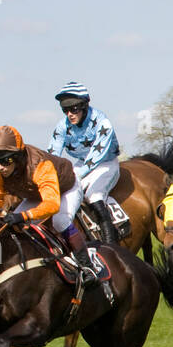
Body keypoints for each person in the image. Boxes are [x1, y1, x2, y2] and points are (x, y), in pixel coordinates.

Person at [0, 125, 98, 285]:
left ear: (17, 156)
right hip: (35, 194)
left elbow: (52, 204)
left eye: (5, 161)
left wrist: (23, 216)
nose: (0, 167)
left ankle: (87, 267)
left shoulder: (40, 165)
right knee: (9, 227)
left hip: (66, 189)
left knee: (60, 220)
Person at [49, 81, 121, 243]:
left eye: (74, 109)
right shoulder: (62, 127)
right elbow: (52, 155)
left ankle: (111, 242)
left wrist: (73, 178)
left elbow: (96, 156)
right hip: (82, 163)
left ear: (84, 106)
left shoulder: (103, 123)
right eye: (65, 110)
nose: (70, 114)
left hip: (106, 163)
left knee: (93, 195)